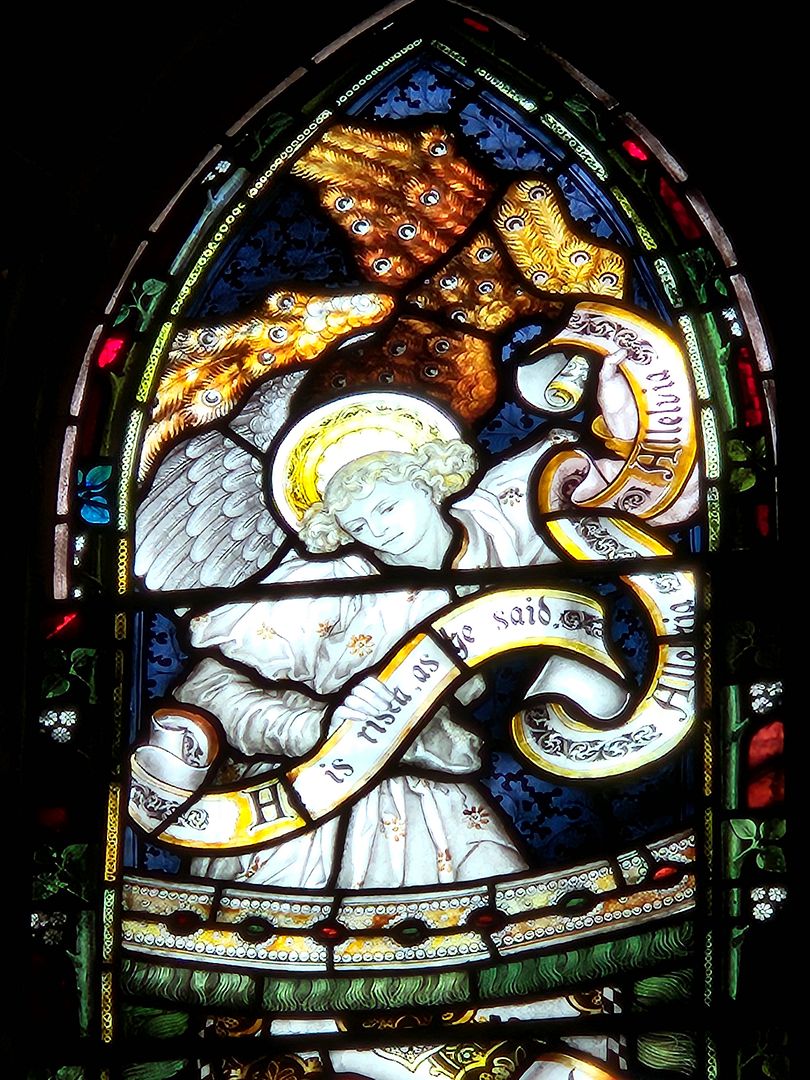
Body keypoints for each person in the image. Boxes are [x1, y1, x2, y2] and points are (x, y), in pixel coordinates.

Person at [172, 395, 565, 890]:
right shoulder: (329, 585)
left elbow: (589, 473)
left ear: (430, 482)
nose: (378, 531)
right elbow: (207, 690)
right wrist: (317, 726)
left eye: (387, 506)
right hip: (315, 796)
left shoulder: (495, 528)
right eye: (357, 525)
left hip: (432, 785)